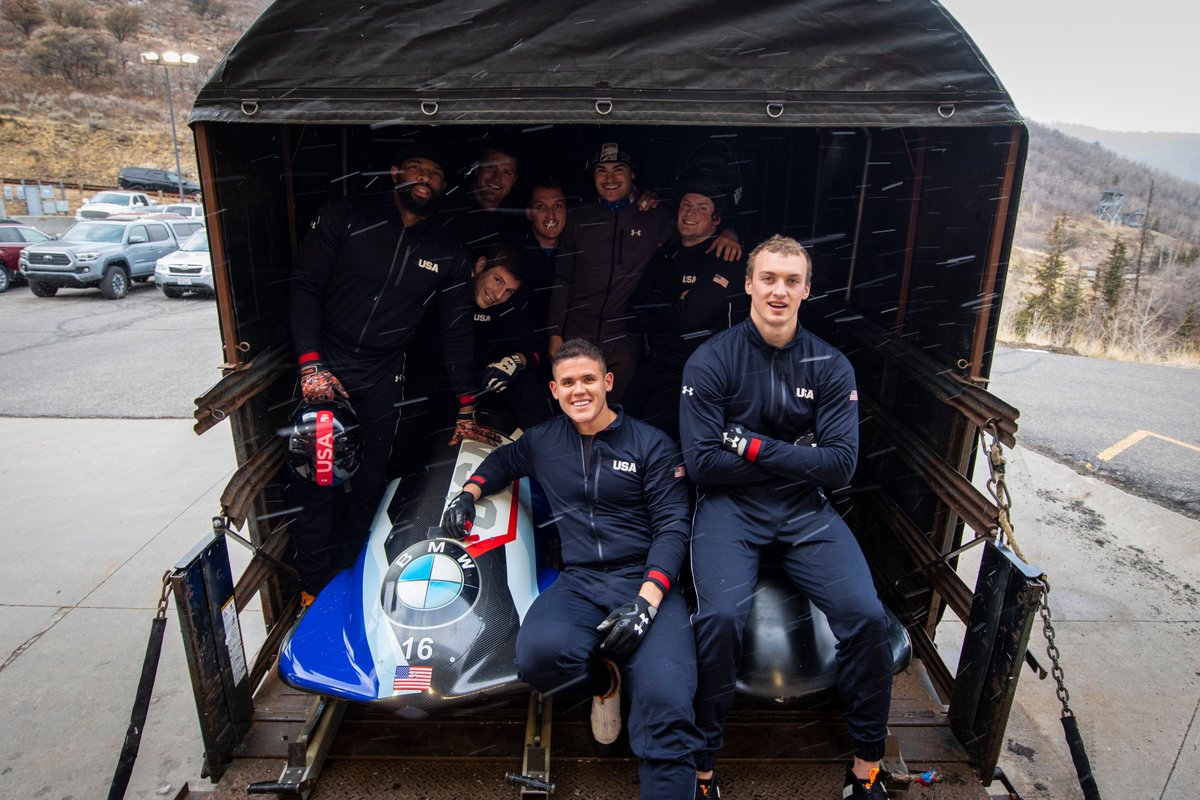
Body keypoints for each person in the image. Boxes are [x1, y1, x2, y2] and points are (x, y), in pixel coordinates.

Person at [680, 235, 894, 799]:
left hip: (805, 513)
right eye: (769, 278)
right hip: (731, 511)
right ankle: (703, 769)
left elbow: (842, 466)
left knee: (867, 620)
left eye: (791, 281)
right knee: (719, 619)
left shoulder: (830, 363)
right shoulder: (712, 360)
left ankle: (866, 767)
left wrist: (749, 446)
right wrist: (800, 460)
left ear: (807, 289)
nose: (779, 290)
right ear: (748, 284)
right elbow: (702, 464)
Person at [441, 338, 703, 800]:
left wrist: (647, 601)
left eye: (587, 380)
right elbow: (502, 461)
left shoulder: (652, 444)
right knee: (537, 658)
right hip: (581, 580)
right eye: (568, 383)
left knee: (667, 703)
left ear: (607, 383)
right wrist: (469, 492)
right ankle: (606, 683)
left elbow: (673, 528)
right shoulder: (543, 440)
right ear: (555, 389)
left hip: (646, 582)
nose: (578, 390)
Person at [287, 144, 497, 606]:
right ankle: (311, 587)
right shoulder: (346, 217)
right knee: (317, 483)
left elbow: (456, 333)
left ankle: (352, 576)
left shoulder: (447, 250)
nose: (425, 177)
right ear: (395, 172)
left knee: (370, 484)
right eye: (418, 167)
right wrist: (310, 364)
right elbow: (305, 289)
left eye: (436, 172)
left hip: (385, 374)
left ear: (444, 186)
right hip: (327, 369)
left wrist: (467, 405)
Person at [546, 143, 741, 402]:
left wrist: (731, 233)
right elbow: (562, 281)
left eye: (619, 169)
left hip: (624, 343)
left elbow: (701, 224)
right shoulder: (577, 218)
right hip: (577, 334)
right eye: (601, 171)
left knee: (618, 416)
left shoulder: (656, 216)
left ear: (632, 175)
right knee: (573, 412)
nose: (610, 179)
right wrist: (554, 334)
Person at [625, 175, 747, 441]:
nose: (691, 213)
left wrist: (661, 304)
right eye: (686, 205)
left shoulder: (724, 257)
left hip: (696, 374)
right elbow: (633, 314)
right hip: (655, 365)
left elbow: (689, 318)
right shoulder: (666, 256)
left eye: (702, 208)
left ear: (716, 220)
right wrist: (675, 303)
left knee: (649, 441)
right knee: (619, 427)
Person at [469, 245, 552, 430]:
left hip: (489, 383)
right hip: (443, 381)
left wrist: (515, 361)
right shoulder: (453, 290)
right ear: (481, 265)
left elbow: (537, 348)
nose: (499, 295)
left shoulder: (510, 308)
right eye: (498, 281)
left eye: (509, 291)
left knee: (525, 383)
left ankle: (548, 450)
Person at [444, 142, 525, 257]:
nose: (497, 178)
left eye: (506, 172)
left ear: (514, 180)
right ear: (477, 168)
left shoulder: (516, 224)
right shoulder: (449, 207)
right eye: (491, 167)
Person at [518, 177, 568, 330]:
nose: (551, 215)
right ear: (529, 213)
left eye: (558, 206)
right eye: (541, 207)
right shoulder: (515, 253)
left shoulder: (576, 251)